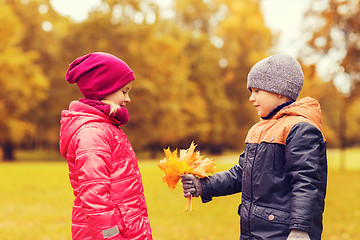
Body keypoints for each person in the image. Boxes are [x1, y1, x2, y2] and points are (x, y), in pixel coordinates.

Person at [181, 54, 327, 240]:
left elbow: (306, 182)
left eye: (257, 91)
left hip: (284, 234)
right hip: (255, 232)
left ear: (278, 90)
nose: (251, 98)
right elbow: (242, 173)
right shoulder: (259, 130)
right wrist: (204, 186)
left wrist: (300, 229)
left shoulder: (300, 128)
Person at [59, 52, 153, 240]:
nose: (128, 99)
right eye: (124, 91)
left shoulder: (106, 127)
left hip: (127, 227)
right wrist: (110, 237)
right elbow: (95, 196)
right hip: (110, 233)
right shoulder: (93, 133)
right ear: (104, 89)